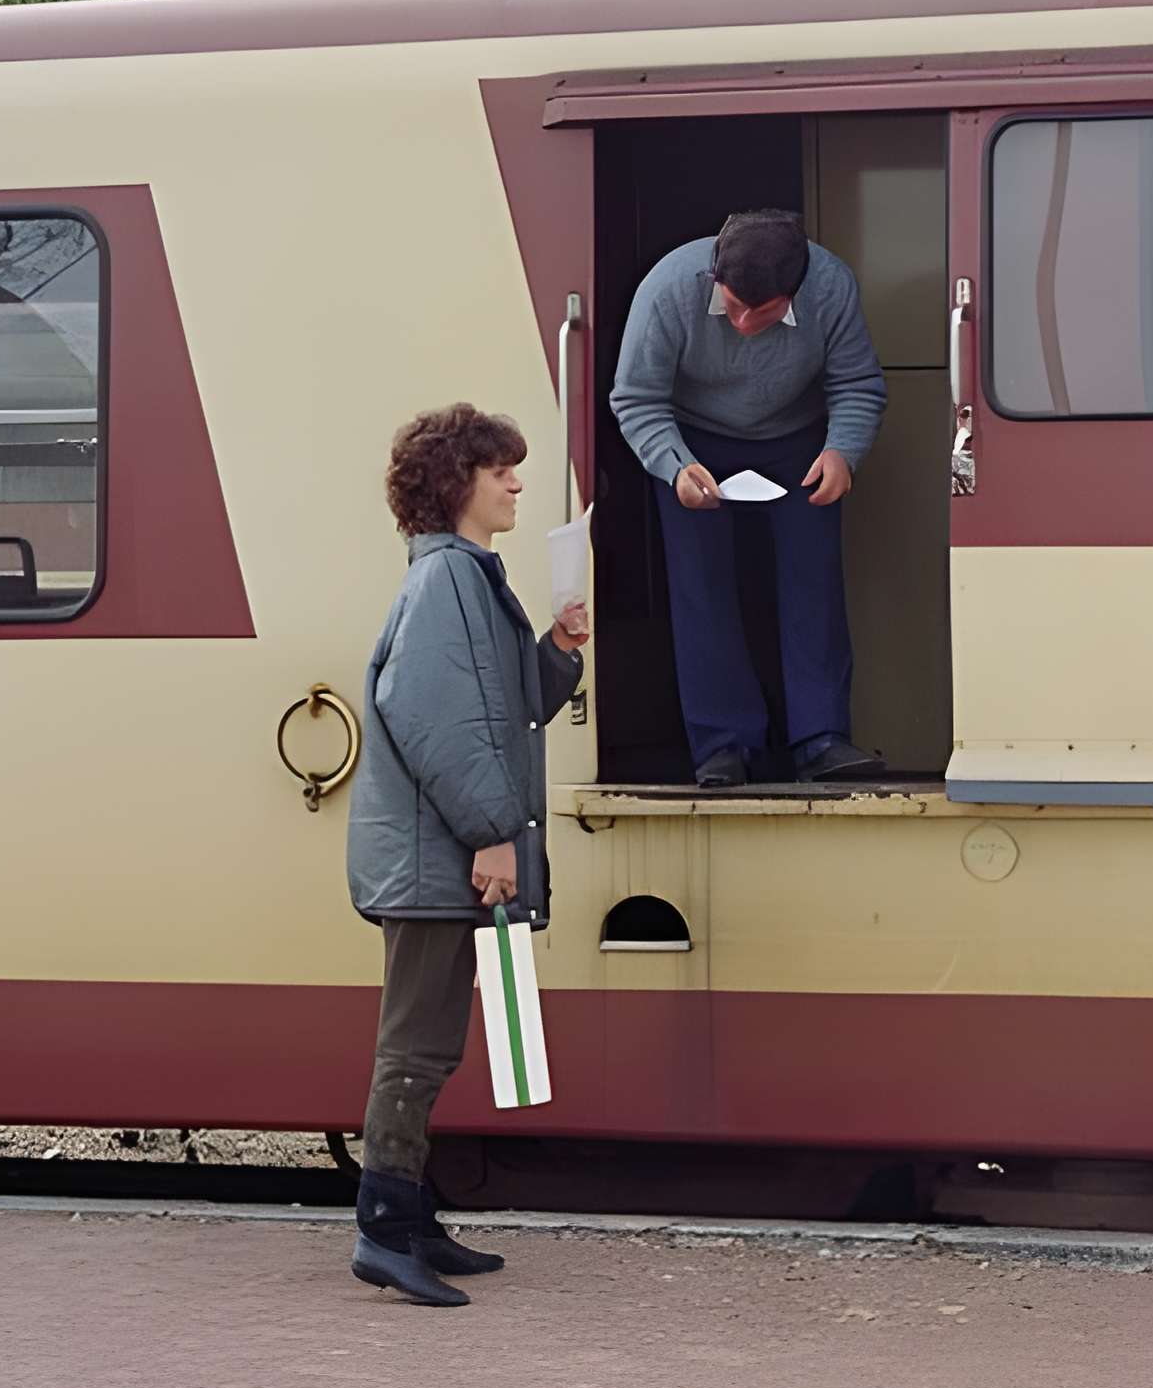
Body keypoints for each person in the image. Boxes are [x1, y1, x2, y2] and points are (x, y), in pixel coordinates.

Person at [342, 404, 589, 1306]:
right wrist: (492, 832)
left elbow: (501, 709)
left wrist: (557, 653)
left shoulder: (464, 577)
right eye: (500, 471)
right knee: (414, 1050)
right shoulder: (447, 582)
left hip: (440, 854)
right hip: (438, 857)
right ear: (458, 484)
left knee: (433, 1047)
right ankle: (382, 1230)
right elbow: (436, 723)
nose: (517, 483)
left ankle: (408, 1218)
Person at [609, 208, 887, 787]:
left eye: (761, 313)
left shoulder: (831, 287)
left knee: (813, 580)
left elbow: (856, 384)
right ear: (715, 278)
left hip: (798, 438)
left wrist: (843, 452)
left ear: (796, 292)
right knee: (700, 585)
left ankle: (822, 738)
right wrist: (675, 467)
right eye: (731, 305)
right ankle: (723, 745)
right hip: (692, 440)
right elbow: (636, 399)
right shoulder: (666, 291)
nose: (740, 322)